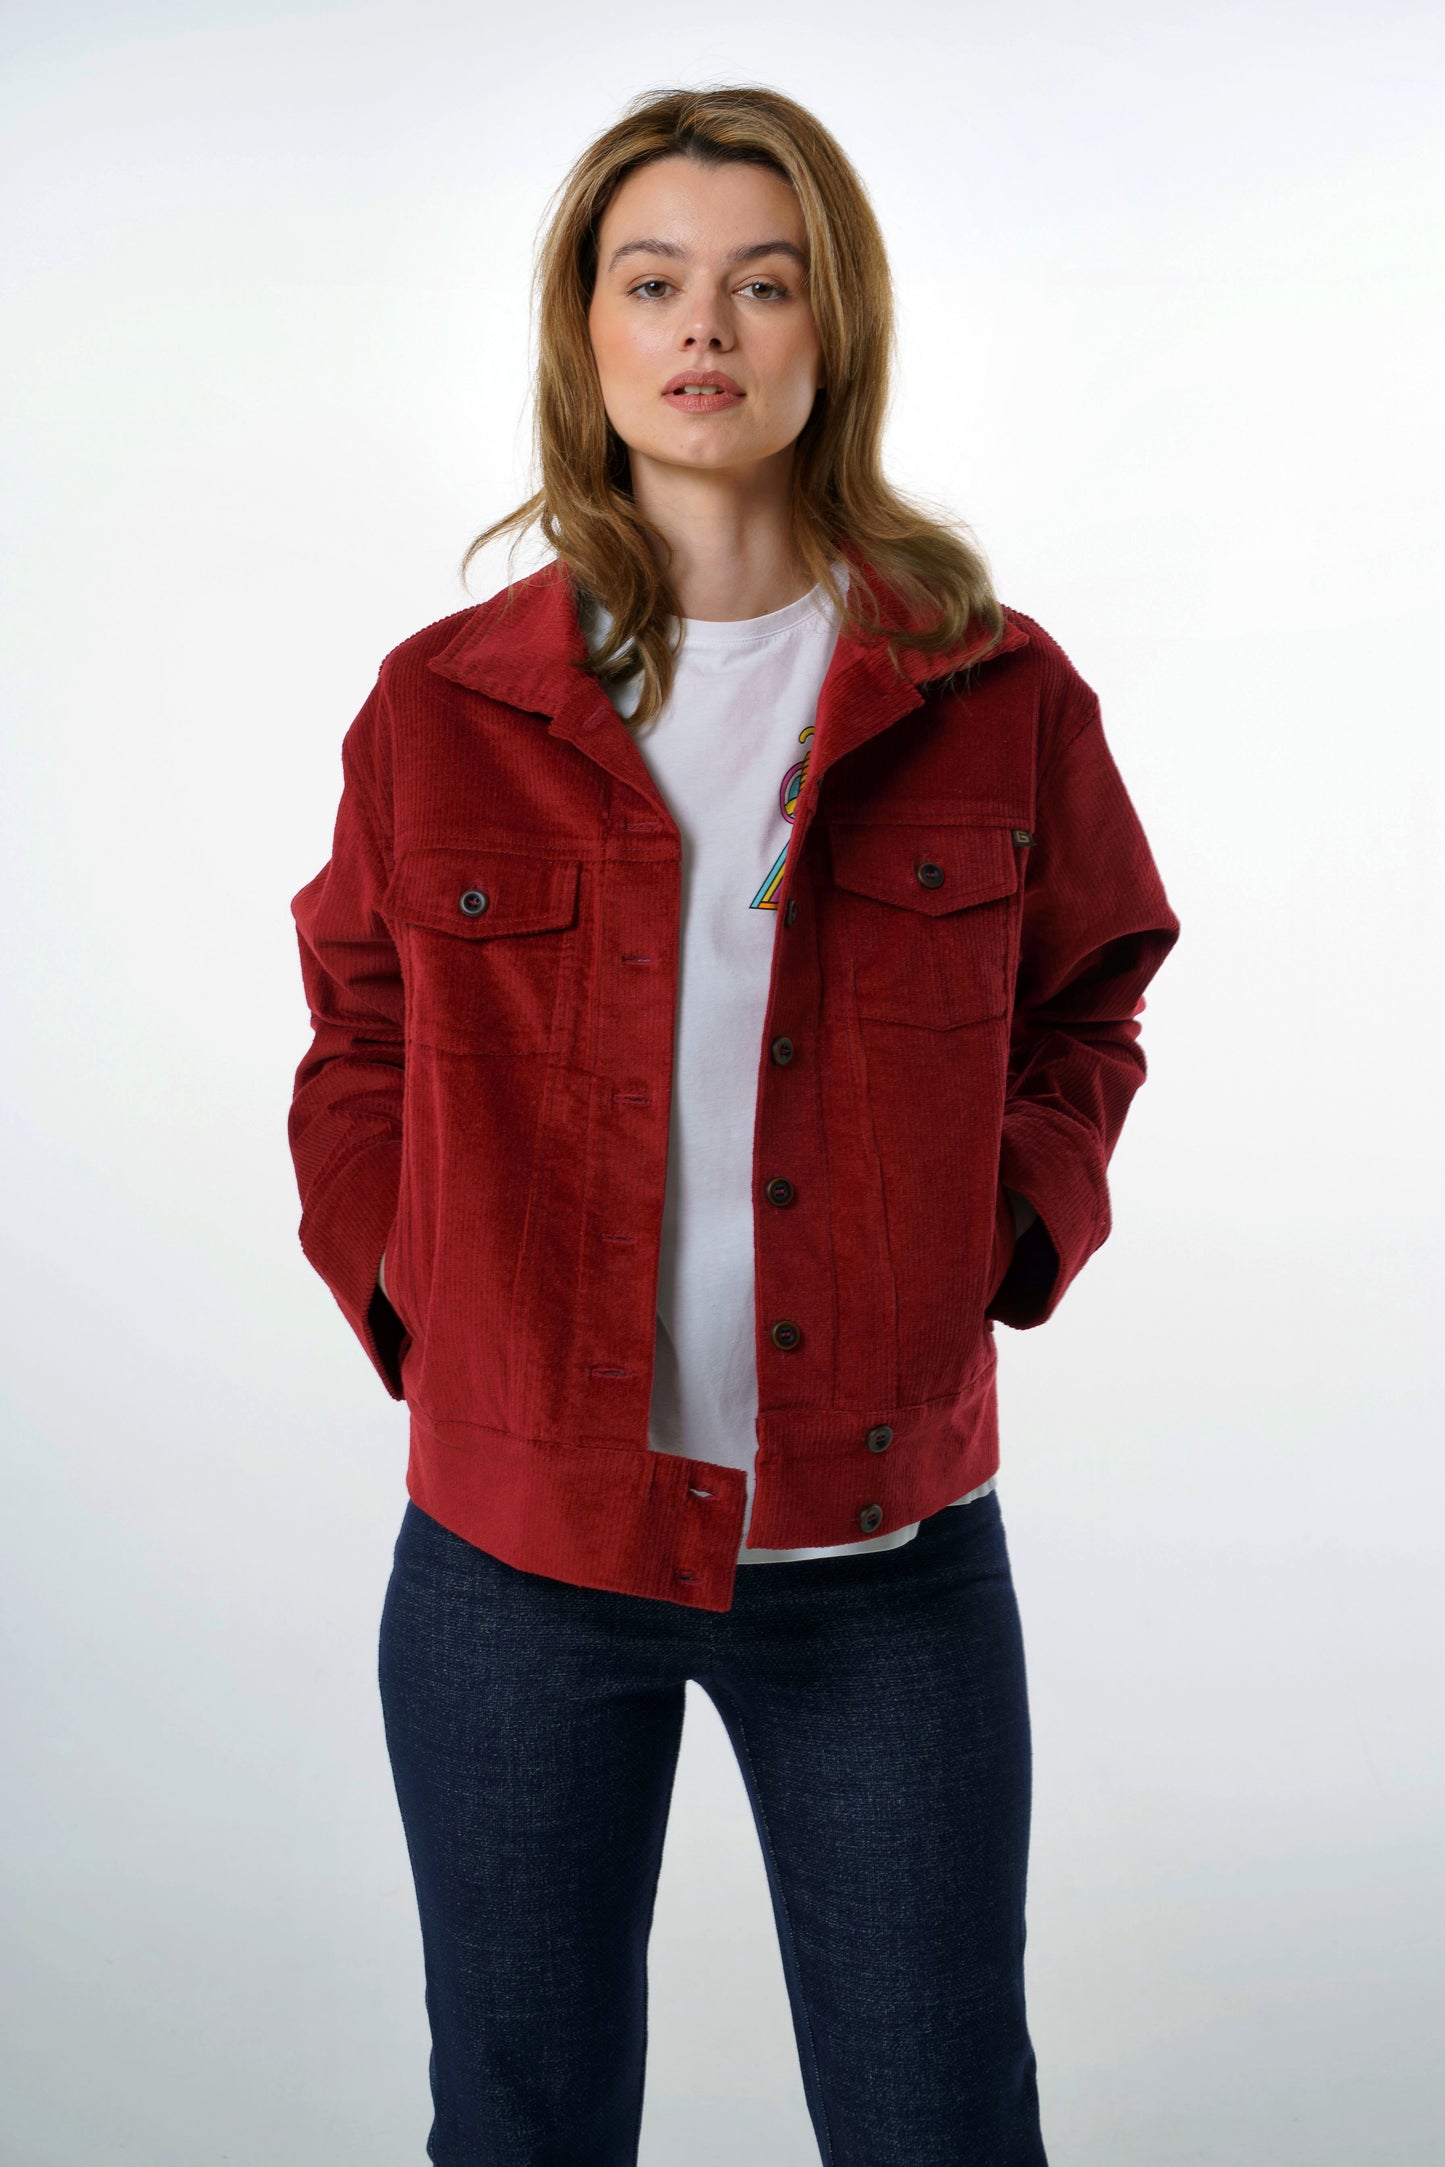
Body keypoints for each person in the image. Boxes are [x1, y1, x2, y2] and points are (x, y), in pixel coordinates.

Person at [287, 83, 1180, 2167]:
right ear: (585, 332)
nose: (709, 327)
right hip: (516, 1553)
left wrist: (1004, 1235)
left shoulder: (989, 687)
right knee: (518, 2123)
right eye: (656, 279)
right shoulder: (445, 705)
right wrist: (408, 1273)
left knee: (939, 2117)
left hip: (883, 1556)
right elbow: (357, 1025)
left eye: (764, 284)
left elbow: (1094, 989)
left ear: (830, 330)